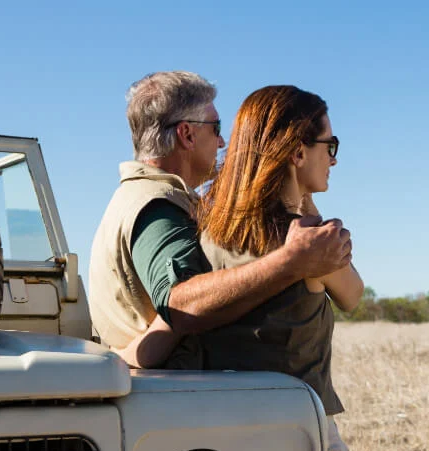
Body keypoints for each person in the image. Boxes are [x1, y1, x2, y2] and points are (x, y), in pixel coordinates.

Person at [193, 85, 376, 451]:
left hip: (224, 438)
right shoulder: (310, 243)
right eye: (329, 143)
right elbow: (355, 295)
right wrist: (313, 219)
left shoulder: (213, 227)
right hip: (307, 439)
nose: (334, 157)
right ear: (297, 151)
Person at [88, 71, 351, 359]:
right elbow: (180, 306)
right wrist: (292, 260)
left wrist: (122, 358)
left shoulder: (138, 198)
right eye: (216, 128)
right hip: (174, 395)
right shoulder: (157, 206)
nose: (223, 142)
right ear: (187, 134)